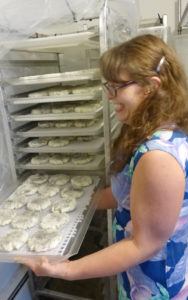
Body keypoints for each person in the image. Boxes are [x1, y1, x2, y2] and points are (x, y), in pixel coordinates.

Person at [19, 34, 188, 299]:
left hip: (157, 282)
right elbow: (129, 196)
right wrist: (71, 202)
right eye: (108, 86)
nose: (110, 96)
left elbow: (143, 245)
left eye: (117, 87)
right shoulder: (147, 131)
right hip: (137, 270)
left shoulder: (158, 157)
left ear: (151, 87)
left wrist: (64, 270)